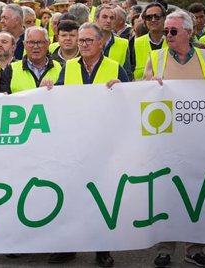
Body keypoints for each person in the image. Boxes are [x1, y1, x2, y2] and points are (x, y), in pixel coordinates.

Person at [46, 22, 126, 268]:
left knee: (101, 196)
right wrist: (48, 89)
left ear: (101, 42)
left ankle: (102, 248)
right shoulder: (68, 67)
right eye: (81, 40)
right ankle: (68, 246)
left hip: (103, 143)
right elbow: (56, 98)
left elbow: (131, 100)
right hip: (73, 141)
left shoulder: (116, 68)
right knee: (71, 193)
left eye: (89, 40)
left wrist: (124, 90)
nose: (83, 44)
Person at [143, 10, 205, 268]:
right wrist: (149, 84)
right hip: (167, 141)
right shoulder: (156, 58)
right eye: (165, 31)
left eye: (173, 31)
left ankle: (194, 249)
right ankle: (165, 249)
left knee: (197, 194)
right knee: (167, 194)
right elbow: (142, 96)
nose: (167, 35)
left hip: (199, 140)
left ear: (188, 31)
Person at [0, 26, 63, 94]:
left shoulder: (61, 68)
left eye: (40, 42)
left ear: (48, 44)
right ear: (24, 44)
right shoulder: (10, 70)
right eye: (31, 42)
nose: (35, 47)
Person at [95, 5, 133, 80]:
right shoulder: (87, 41)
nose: (108, 21)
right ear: (97, 19)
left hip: (114, 88)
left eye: (112, 18)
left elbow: (127, 73)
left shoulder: (123, 44)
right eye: (104, 17)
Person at [132, 2, 167, 80]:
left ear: (164, 18)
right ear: (145, 20)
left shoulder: (173, 41)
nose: (153, 20)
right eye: (149, 17)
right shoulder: (134, 43)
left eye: (157, 16)